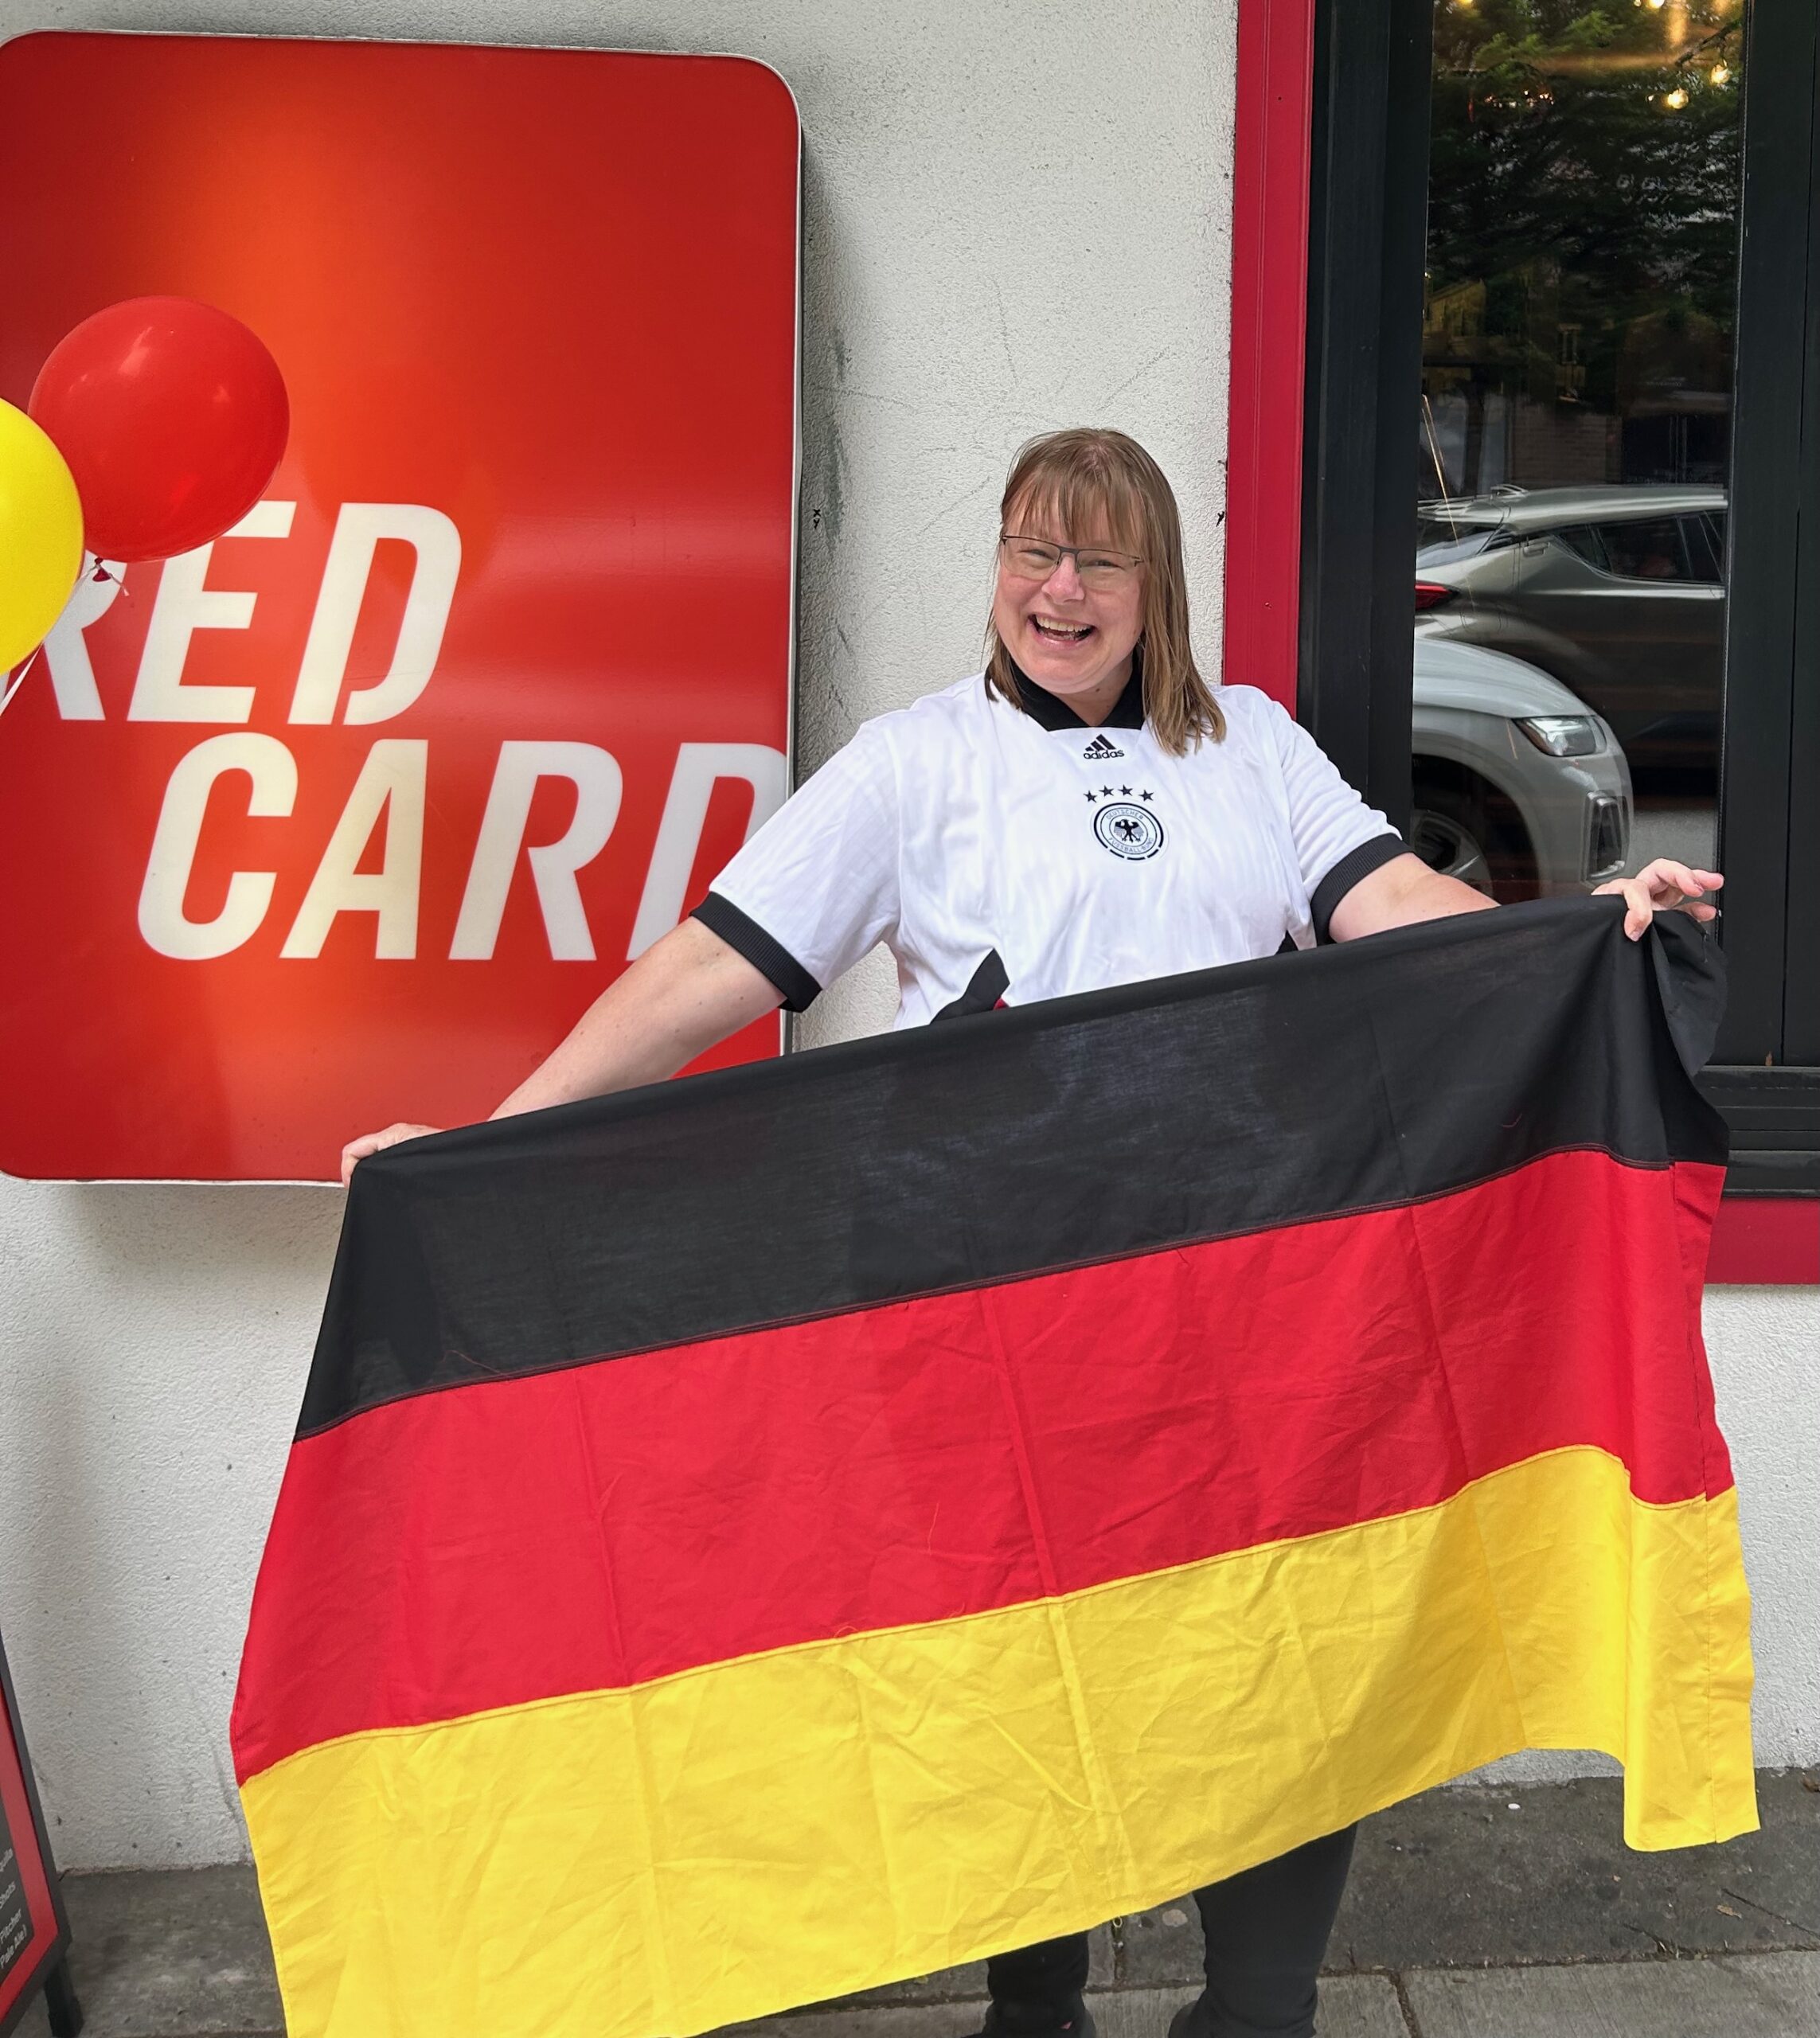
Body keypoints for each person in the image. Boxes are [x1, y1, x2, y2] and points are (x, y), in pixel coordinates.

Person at [342, 428, 1721, 2038]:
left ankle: (1256, 2004)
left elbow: (1400, 911)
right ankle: (1039, 2002)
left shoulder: (1254, 750)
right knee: (1019, 1657)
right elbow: (708, 966)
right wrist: (496, 1135)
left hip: (1232, 1287)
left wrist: (1587, 930)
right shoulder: (913, 762)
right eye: (1028, 551)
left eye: (1096, 560)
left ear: (1157, 590)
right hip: (985, 1296)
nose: (1056, 591)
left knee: (1267, 1648)